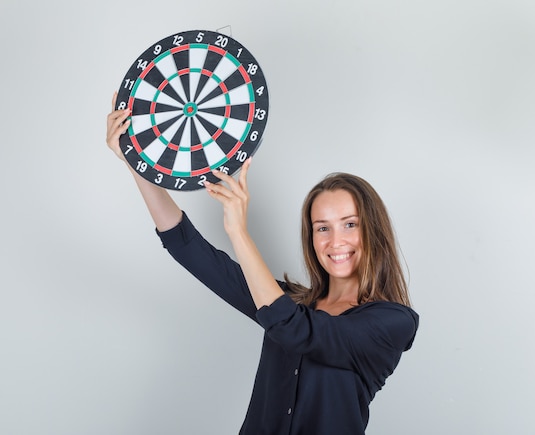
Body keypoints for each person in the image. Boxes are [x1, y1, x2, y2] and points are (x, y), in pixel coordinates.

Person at [106, 93, 419, 435]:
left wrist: (239, 232)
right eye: (322, 228)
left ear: (372, 229)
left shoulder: (392, 323)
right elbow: (187, 248)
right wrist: (137, 163)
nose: (335, 241)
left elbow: (295, 330)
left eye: (350, 224)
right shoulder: (288, 302)